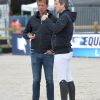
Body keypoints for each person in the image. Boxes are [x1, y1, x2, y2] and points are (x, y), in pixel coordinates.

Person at [35, 0, 76, 100]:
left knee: (62, 79)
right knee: (68, 78)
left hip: (62, 53)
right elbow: (59, 34)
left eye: (57, 4)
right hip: (64, 51)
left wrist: (46, 19)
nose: (55, 6)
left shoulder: (65, 16)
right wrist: (53, 49)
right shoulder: (65, 16)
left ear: (63, 5)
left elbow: (56, 29)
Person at [23, 0, 56, 100]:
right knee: (36, 80)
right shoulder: (32, 19)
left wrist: (53, 49)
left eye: (42, 5)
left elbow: (58, 35)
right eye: (39, 5)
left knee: (49, 80)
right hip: (35, 54)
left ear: (47, 6)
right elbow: (25, 33)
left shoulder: (53, 19)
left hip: (49, 54)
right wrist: (28, 36)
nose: (40, 7)